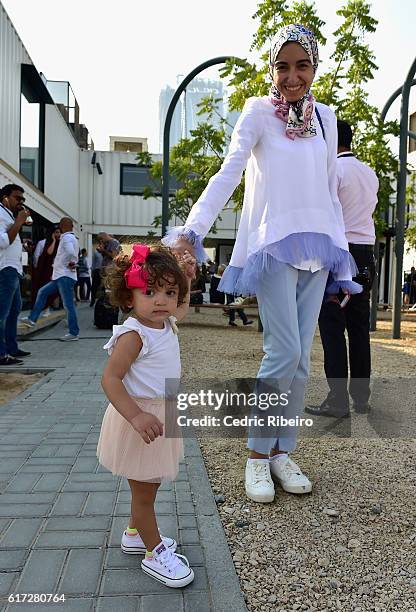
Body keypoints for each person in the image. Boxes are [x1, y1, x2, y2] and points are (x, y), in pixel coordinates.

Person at [163, 24, 361, 504]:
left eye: (303, 65)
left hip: (318, 247)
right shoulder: (256, 112)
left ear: (314, 67)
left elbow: (329, 186)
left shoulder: (327, 117)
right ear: (273, 68)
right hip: (274, 242)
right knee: (282, 352)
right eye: (283, 65)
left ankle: (280, 452)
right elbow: (230, 169)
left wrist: (343, 260)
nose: (292, 76)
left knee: (301, 361)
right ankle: (256, 456)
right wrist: (193, 231)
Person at [97, 243, 196, 588]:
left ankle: (135, 534)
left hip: (159, 414)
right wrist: (136, 417)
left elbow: (181, 308)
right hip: (140, 421)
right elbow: (110, 379)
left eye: (170, 292)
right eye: (150, 291)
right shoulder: (134, 335)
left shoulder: (165, 322)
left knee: (146, 486)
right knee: (144, 493)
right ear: (128, 298)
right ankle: (154, 554)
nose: (162, 301)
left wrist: (186, 277)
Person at [305, 119, 379, 417]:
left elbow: (324, 215)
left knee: (333, 327)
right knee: (359, 329)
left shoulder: (333, 171)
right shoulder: (369, 172)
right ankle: (361, 398)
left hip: (339, 252)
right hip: (367, 251)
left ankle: (337, 400)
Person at [21, 217, 80, 341]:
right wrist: (71, 262)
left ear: (63, 226)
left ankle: (73, 333)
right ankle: (32, 319)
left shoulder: (67, 238)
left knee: (68, 305)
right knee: (42, 292)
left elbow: (70, 252)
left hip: (64, 276)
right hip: (61, 276)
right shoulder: (71, 238)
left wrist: (72, 261)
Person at [0, 183, 31, 365]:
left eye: (22, 199)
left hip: (14, 269)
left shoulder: (8, 214)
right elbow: (3, 242)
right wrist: (19, 221)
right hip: (5, 269)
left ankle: (11, 347)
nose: (21, 202)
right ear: (5, 197)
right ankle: (2, 353)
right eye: (17, 198)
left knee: (14, 310)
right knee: (2, 313)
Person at [31, 227, 61, 312]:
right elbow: (37, 256)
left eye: (59, 233)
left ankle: (52, 307)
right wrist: (37, 269)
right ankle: (45, 308)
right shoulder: (44, 243)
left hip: (55, 270)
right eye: (56, 232)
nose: (58, 234)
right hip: (44, 270)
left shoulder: (61, 244)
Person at [89, 243, 104, 307]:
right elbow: (93, 263)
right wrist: (92, 272)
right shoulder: (95, 253)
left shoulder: (105, 253)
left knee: (104, 286)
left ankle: (103, 301)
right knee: (94, 287)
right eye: (100, 245)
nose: (101, 246)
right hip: (97, 271)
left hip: (104, 271)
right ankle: (93, 300)